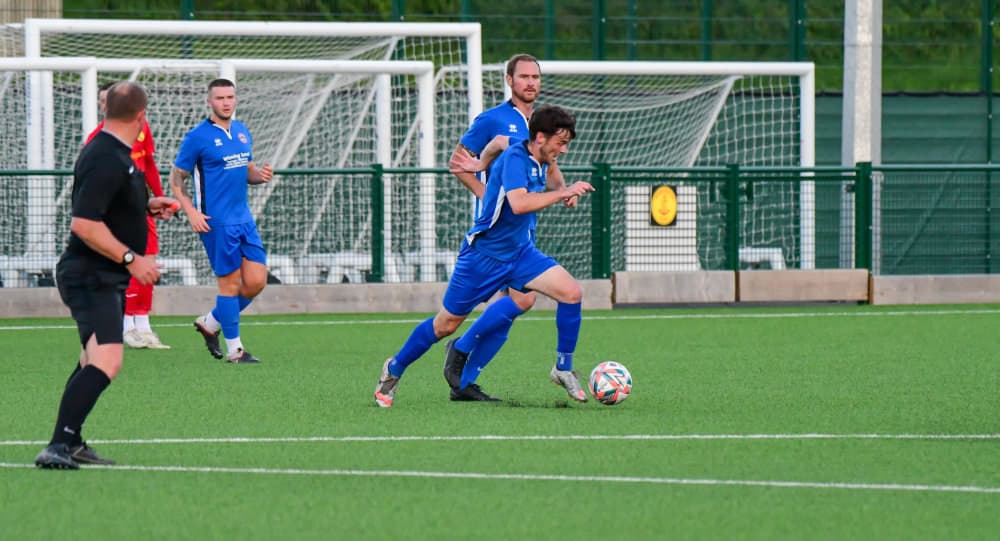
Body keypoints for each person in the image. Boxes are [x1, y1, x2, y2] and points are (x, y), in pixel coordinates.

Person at [374, 105, 593, 408]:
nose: (564, 150)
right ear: (541, 138)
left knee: (571, 293)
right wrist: (562, 194)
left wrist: (481, 162)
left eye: (567, 143)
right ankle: (394, 369)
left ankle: (562, 368)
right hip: (483, 256)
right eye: (561, 143)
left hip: (520, 253)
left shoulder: (538, 152)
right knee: (445, 325)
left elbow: (498, 142)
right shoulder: (516, 159)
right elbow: (518, 204)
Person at [35, 82, 180, 469]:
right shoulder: (106, 156)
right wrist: (132, 259)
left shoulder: (115, 152)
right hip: (90, 275)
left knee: (91, 359)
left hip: (99, 275)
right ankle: (57, 445)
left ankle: (69, 441)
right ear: (141, 116)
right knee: (107, 361)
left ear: (107, 110)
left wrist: (148, 206)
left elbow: (108, 206)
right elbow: (84, 224)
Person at [442, 53, 575, 402]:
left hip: (523, 231)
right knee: (521, 299)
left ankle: (463, 375)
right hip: (495, 234)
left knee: (519, 304)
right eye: (524, 76)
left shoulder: (543, 123)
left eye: (535, 77)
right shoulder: (492, 119)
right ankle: (461, 356)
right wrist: (488, 197)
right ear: (509, 80)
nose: (531, 82)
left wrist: (564, 191)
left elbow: (548, 166)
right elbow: (457, 163)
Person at [170, 78, 273, 364]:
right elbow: (176, 180)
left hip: (244, 219)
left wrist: (260, 176)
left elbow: (248, 170)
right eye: (220, 98)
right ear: (209, 101)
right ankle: (235, 350)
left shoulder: (241, 131)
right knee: (228, 285)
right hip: (217, 222)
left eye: (230, 97)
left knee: (256, 282)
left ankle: (210, 322)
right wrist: (191, 212)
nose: (226, 102)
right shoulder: (197, 137)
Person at [86, 81, 170, 350]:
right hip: (118, 213)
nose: (105, 106)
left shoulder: (141, 129)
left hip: (143, 207)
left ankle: (143, 325)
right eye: (102, 101)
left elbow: (150, 165)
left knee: (150, 261)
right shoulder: (97, 139)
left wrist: (160, 197)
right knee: (129, 264)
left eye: (109, 101)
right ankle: (126, 326)